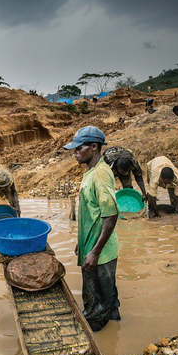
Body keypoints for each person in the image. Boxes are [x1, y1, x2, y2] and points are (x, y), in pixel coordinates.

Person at [63, 126, 120, 331]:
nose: (75, 152)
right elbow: (92, 213)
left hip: (101, 254)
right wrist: (83, 243)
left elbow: (111, 215)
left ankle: (98, 339)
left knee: (96, 308)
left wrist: (94, 252)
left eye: (78, 148)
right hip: (93, 247)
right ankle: (115, 330)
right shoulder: (91, 172)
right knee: (108, 300)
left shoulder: (101, 176)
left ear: (94, 147)